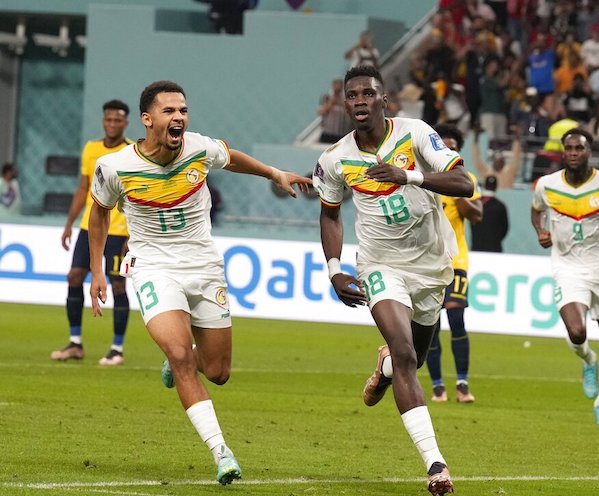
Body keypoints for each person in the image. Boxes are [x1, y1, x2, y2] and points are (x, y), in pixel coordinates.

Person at [88, 80, 311, 485]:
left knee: (218, 371)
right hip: (153, 267)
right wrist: (99, 270)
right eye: (170, 111)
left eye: (183, 111)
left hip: (204, 267)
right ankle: (221, 452)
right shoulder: (115, 167)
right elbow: (99, 214)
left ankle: (185, 355)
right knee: (179, 355)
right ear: (148, 119)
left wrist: (274, 173)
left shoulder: (199, 147)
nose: (179, 118)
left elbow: (232, 157)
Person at [313, 65, 474, 495]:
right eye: (353, 95)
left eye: (369, 93)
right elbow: (330, 214)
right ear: (345, 104)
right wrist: (334, 267)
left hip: (431, 266)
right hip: (379, 265)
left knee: (412, 359)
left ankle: (383, 368)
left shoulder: (415, 133)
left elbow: (465, 183)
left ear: (384, 100)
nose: (360, 100)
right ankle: (435, 464)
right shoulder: (334, 159)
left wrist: (409, 175)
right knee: (405, 353)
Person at [531, 128, 599, 427]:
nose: (574, 152)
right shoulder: (547, 185)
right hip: (568, 266)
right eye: (569, 148)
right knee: (577, 332)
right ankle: (587, 361)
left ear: (589, 151)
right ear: (563, 151)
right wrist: (541, 232)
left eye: (579, 147)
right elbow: (536, 211)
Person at [51, 100, 132, 365]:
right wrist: (69, 223)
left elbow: (135, 196)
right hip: (90, 228)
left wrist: (134, 235)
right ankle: (75, 343)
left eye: (117, 120)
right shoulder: (91, 149)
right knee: (74, 276)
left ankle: (117, 348)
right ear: (103, 121)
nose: (112, 124)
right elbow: (83, 188)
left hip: (119, 232)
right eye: (108, 119)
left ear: (125, 123)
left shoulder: (131, 152)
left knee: (118, 284)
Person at [427, 124, 483, 404]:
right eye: (444, 146)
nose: (448, 151)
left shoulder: (467, 180)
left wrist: (460, 195)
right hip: (426, 264)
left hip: (456, 260)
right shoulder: (425, 178)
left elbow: (478, 215)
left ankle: (462, 384)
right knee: (431, 324)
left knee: (456, 317)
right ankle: (438, 387)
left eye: (453, 147)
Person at [471, 175, 509, 252]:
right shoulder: (500, 206)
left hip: (477, 247)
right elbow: (505, 228)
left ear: (485, 185)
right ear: (496, 187)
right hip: (494, 248)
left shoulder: (475, 203)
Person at [318, 78, 353, 144]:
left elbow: (349, 116)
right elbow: (321, 112)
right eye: (336, 85)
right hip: (327, 132)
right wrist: (331, 102)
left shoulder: (345, 100)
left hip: (339, 133)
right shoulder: (328, 98)